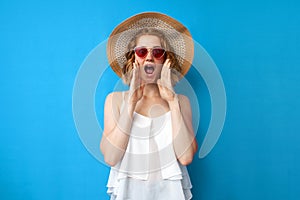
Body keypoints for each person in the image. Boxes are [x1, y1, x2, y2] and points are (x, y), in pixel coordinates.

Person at [100, 12, 198, 200]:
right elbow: (111, 157)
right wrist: (131, 104)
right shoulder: (115, 100)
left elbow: (186, 157)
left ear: (166, 61)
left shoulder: (181, 102)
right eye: (142, 52)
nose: (149, 58)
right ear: (133, 58)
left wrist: (171, 101)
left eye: (158, 52)